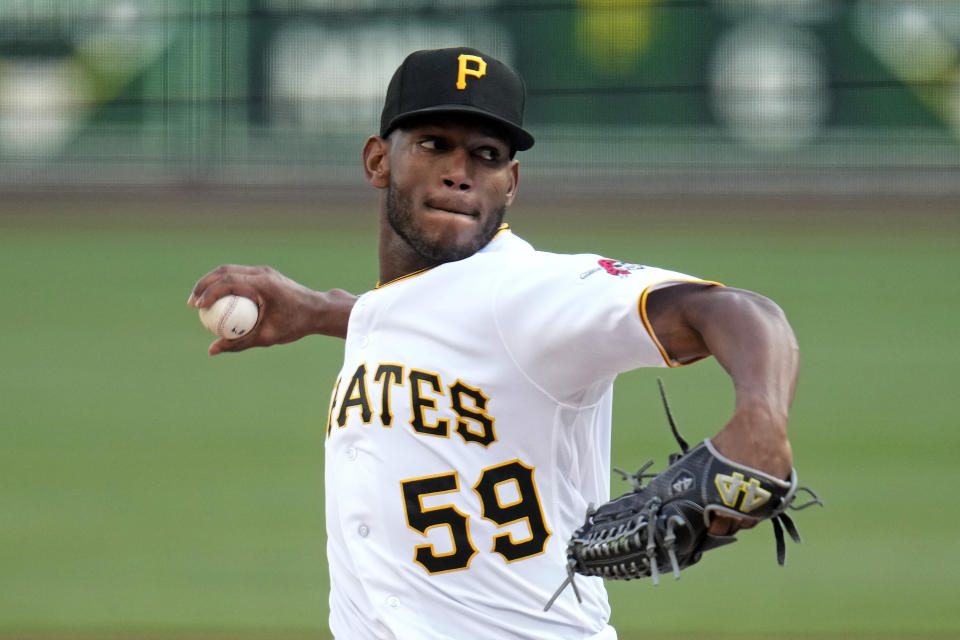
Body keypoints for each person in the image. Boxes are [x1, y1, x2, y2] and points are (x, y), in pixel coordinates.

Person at [188, 47, 798, 640]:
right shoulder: (408, 309)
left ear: (510, 182)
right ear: (378, 160)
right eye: (434, 145)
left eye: (486, 154)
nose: (460, 171)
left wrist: (761, 419)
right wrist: (323, 311)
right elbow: (444, 325)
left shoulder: (531, 292)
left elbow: (738, 311)